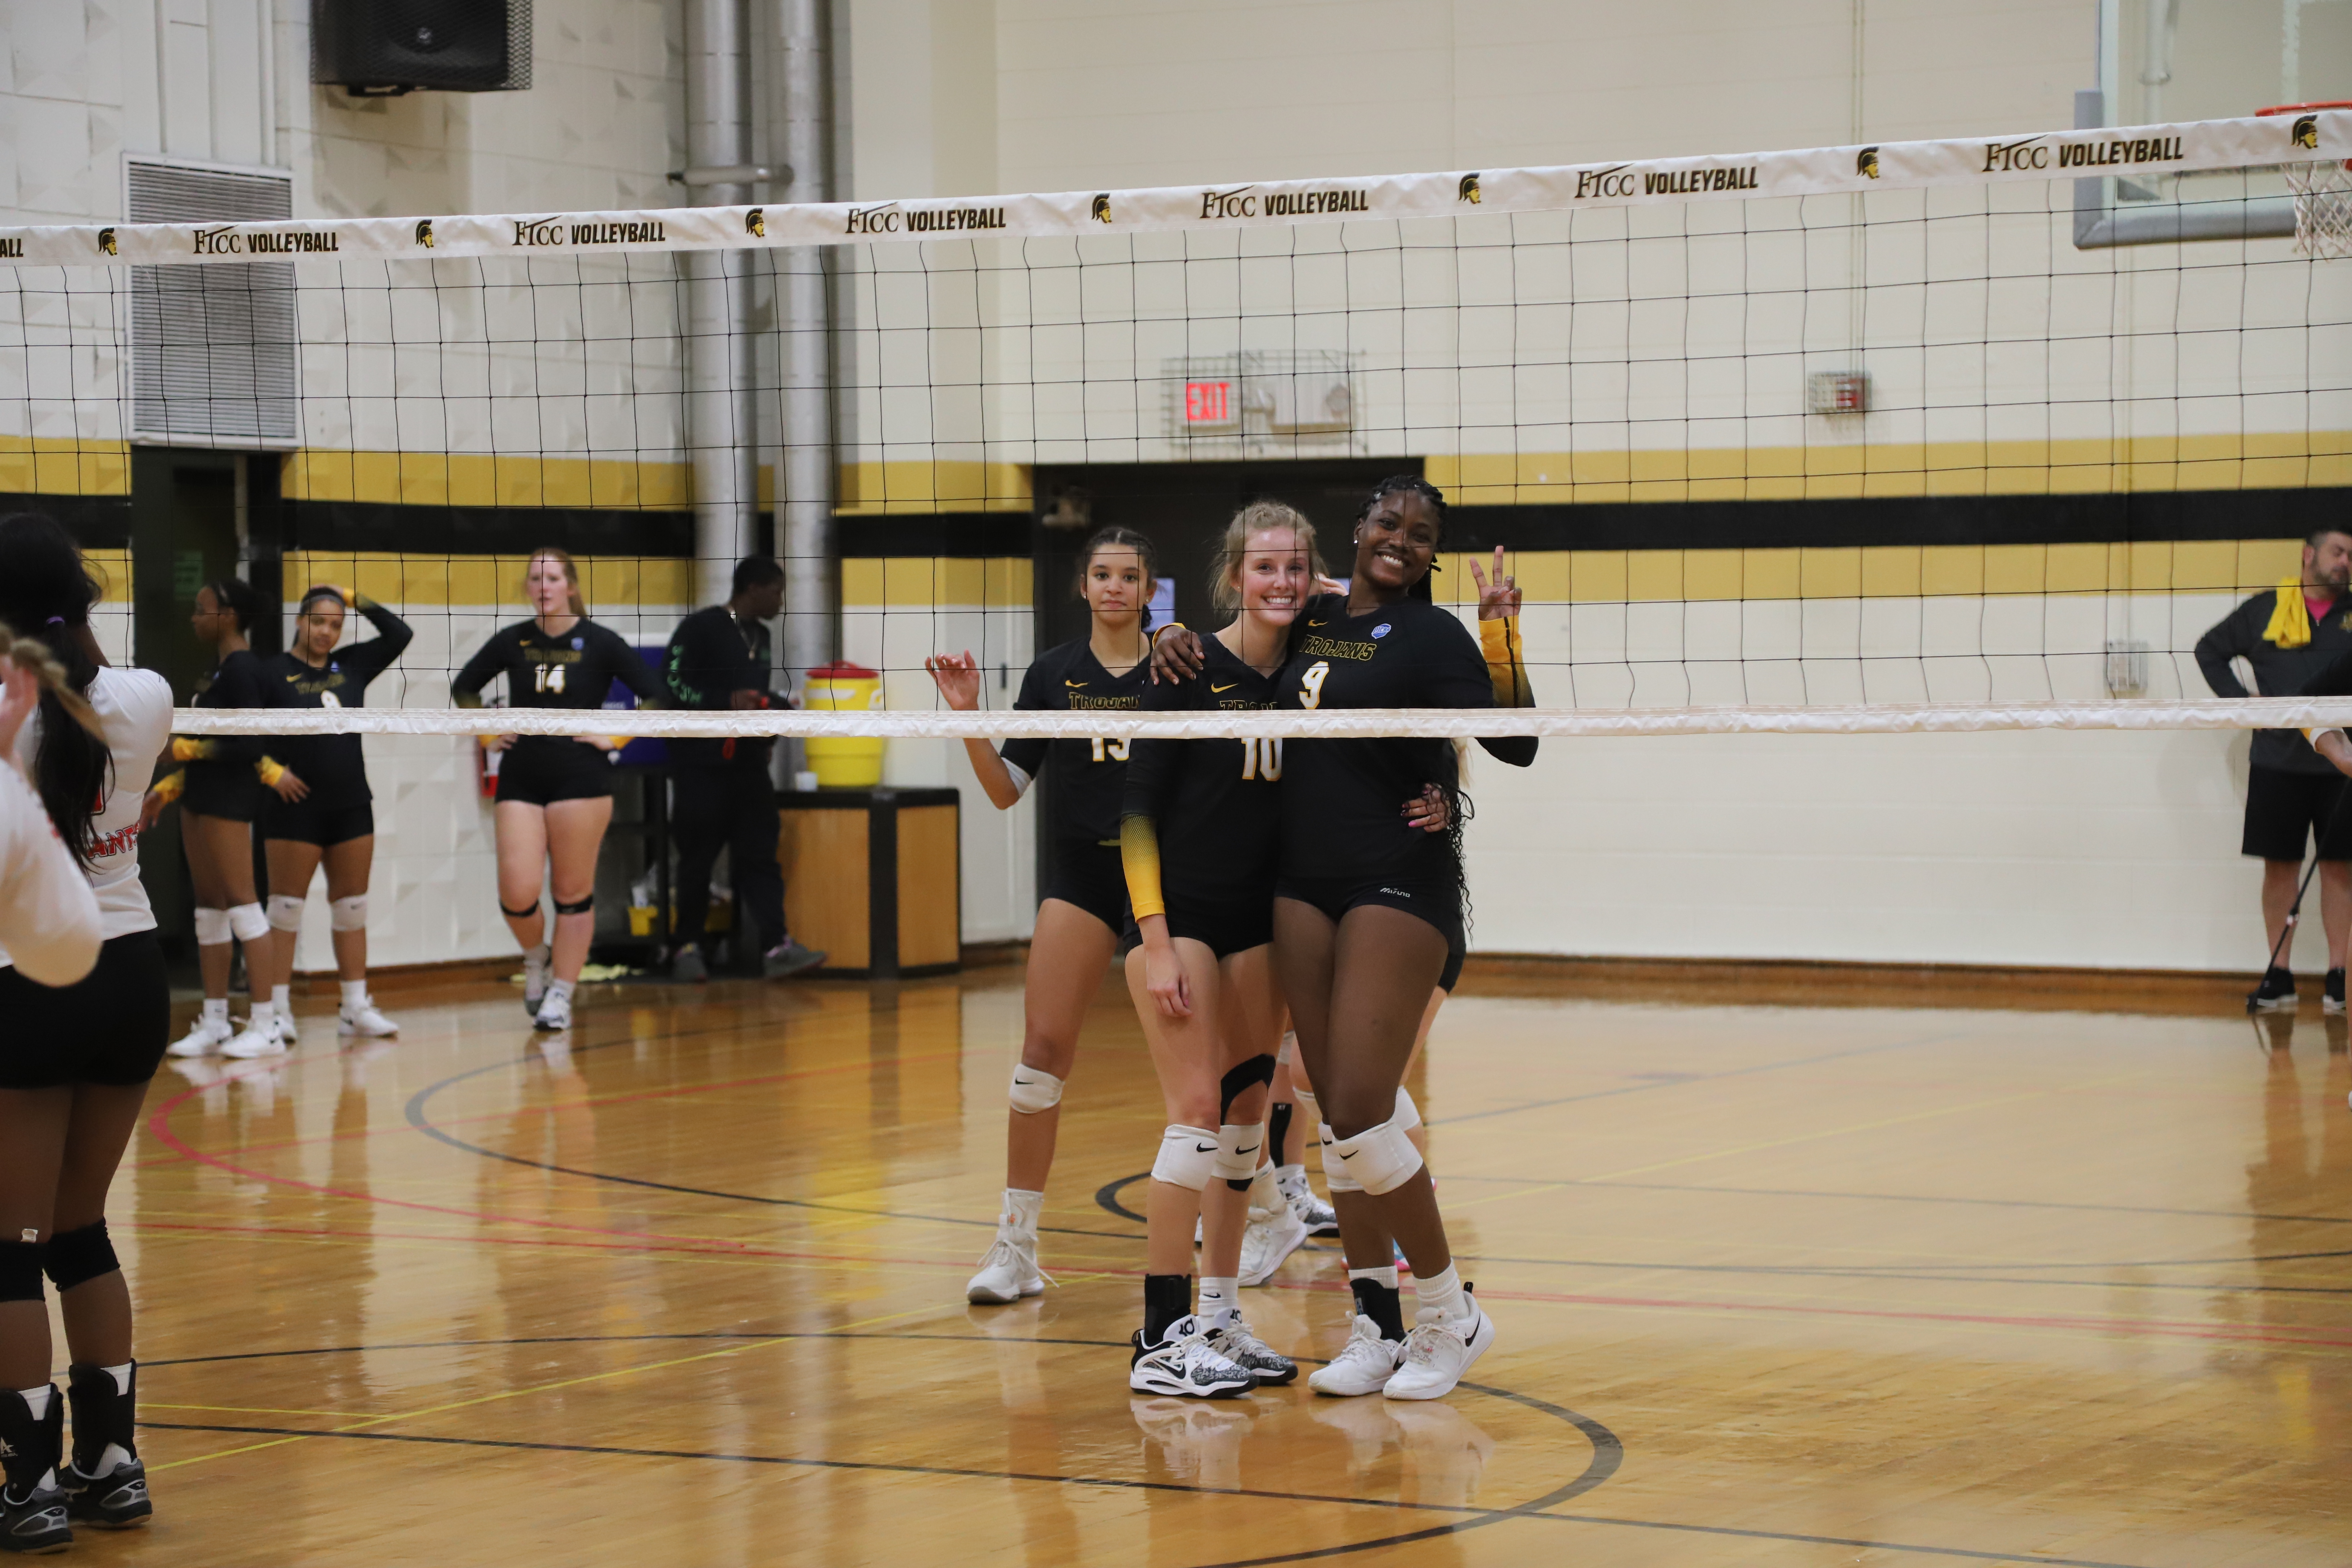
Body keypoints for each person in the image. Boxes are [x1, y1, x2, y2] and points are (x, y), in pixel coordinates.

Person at [1157, 475, 1534, 1401]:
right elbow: (1237, 649)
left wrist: (1499, 633)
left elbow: (1517, 741)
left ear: (1431, 553)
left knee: (1364, 1101)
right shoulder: (1312, 622)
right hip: (1302, 884)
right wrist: (1172, 638)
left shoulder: (1435, 633)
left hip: (1396, 878)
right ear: (1358, 532)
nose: (1399, 539)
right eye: (1386, 523)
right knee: (1332, 1114)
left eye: (1419, 533)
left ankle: (1450, 1310)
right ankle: (1376, 1324)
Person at [0, 513, 176, 1547]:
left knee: (10, 1248)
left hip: (30, 984)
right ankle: (111, 1464)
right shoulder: (144, 696)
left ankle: (25, 1490)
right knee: (79, 1230)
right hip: (132, 978)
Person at [925, 525, 1157, 1306]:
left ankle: (1261, 1209)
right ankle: (1016, 1245)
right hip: (1085, 871)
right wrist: (967, 716)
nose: (1116, 587)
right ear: (1083, 586)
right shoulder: (1053, 673)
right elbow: (1003, 789)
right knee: (1039, 1053)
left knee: (1209, 1067)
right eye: (1102, 574)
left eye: (1129, 575)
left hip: (1170, 873)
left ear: (1149, 587)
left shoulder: (1181, 665)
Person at [451, 548, 666, 1032]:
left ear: (570, 585)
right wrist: (488, 732)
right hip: (523, 773)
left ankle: (562, 994)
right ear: (528, 588)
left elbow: (656, 695)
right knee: (518, 892)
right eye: (534, 579)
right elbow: (465, 688)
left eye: (551, 578)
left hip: (581, 777)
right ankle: (535, 958)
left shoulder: (601, 642)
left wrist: (615, 737)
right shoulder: (512, 640)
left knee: (571, 893)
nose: (543, 587)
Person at [2195, 526, 2352, 1012]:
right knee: (2279, 869)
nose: (2346, 562)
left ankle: (2338, 979)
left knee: (2340, 871)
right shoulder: (2265, 609)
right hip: (2278, 764)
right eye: (2338, 552)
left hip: (2340, 767)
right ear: (2309, 556)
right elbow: (2209, 650)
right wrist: (2245, 707)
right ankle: (2280, 977)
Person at [260, 584, 413, 1040]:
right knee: (286, 910)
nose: (327, 631)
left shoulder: (353, 666)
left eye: (335, 623)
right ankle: (277, 1011)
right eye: (318, 621)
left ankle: (354, 1007)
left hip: (350, 805)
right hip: (294, 808)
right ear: (300, 621)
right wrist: (269, 771)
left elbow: (400, 633)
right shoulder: (271, 673)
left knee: (352, 909)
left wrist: (355, 597)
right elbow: (242, 733)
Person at [660, 556, 825, 982]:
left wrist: (770, 724)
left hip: (749, 769)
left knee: (761, 856)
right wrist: (725, 701)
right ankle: (686, 947)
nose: (781, 601)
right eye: (778, 592)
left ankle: (776, 946)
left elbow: (751, 694)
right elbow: (671, 684)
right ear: (755, 589)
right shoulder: (700, 627)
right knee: (697, 859)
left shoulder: (761, 634)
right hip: (702, 766)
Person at [157, 577, 300, 1060]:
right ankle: (216, 1020)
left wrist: (184, 748)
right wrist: (170, 787)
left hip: (229, 800)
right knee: (209, 907)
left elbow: (249, 746)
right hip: (199, 797)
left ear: (228, 615)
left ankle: (266, 1022)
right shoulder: (216, 670)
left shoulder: (243, 670)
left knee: (242, 903)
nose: (195, 617)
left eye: (202, 609)